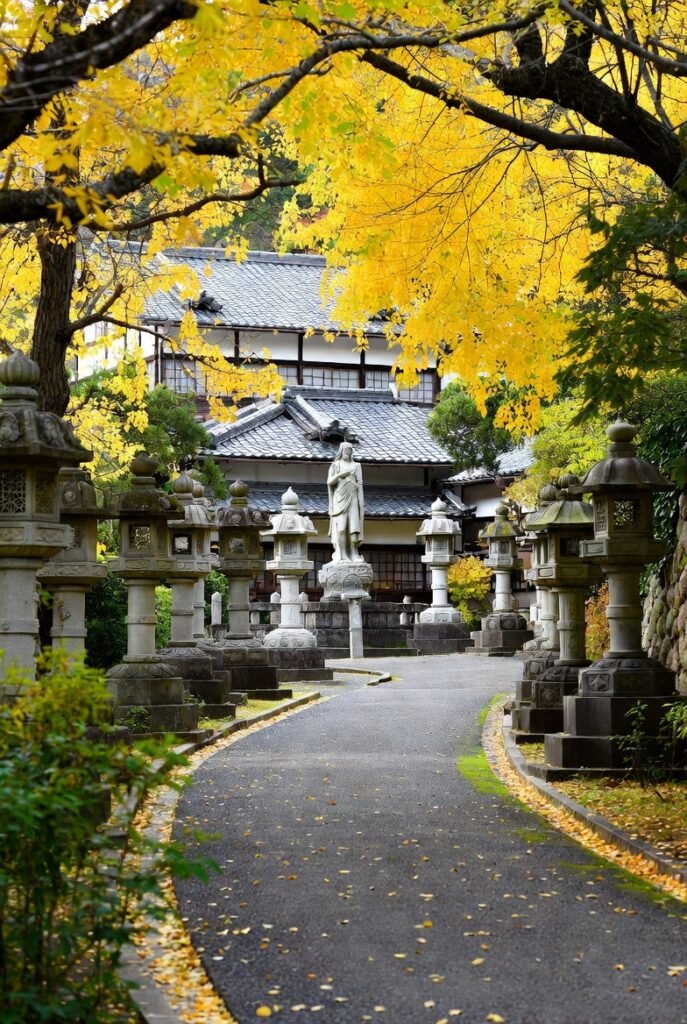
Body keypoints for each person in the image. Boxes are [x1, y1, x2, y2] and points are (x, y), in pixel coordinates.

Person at [327, 442, 364, 562]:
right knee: (341, 528)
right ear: (341, 451)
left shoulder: (357, 465)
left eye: (349, 451)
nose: (347, 453)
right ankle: (342, 555)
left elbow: (360, 485)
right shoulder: (335, 465)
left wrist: (360, 501)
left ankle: (354, 553)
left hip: (353, 497)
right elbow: (329, 482)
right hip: (339, 498)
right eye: (345, 450)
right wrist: (340, 475)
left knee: (353, 528)